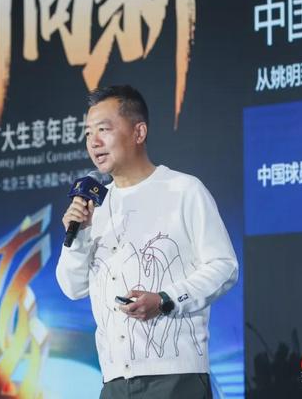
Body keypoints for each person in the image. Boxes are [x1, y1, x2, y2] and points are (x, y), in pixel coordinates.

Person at [55, 85, 239, 398]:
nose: (93, 142)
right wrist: (79, 235)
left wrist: (165, 299)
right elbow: (72, 288)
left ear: (138, 132)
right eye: (88, 133)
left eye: (104, 130)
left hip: (175, 378)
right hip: (114, 382)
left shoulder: (183, 190)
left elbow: (224, 267)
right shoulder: (95, 208)